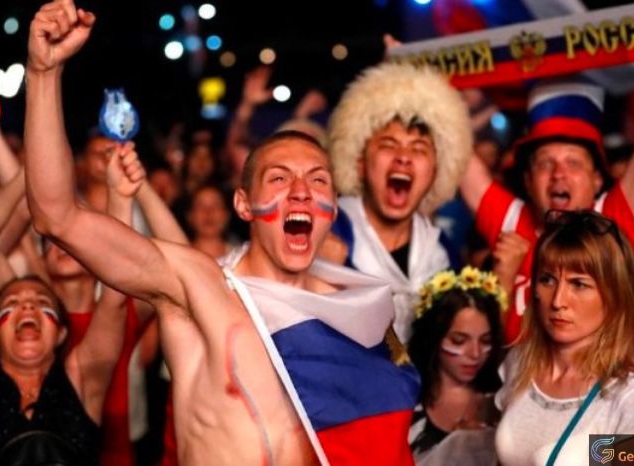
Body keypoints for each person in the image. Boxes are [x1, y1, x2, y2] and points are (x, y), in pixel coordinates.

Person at [23, 2, 419, 464]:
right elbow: (57, 216)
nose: (300, 192)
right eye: (279, 178)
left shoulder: (353, 312)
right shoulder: (198, 287)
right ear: (244, 204)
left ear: (332, 207)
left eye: (317, 180)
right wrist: (43, 74)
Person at [0, 127, 134, 465]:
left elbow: (113, 299)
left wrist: (120, 199)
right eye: (10, 305)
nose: (27, 305)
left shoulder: (83, 381)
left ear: (62, 333)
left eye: (43, 304)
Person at [459, 75, 634, 357]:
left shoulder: (614, 223)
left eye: (573, 162)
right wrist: (421, 74)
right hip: (518, 383)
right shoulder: (512, 222)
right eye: (546, 163)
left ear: (597, 179)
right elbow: (456, 148)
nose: (559, 173)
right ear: (528, 180)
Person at [495, 210, 634, 466]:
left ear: (615, 294)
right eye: (547, 280)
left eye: (578, 284)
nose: (558, 301)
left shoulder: (630, 400)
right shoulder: (518, 364)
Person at [325, 61, 473, 343]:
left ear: (436, 171)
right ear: (359, 162)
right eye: (388, 145)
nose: (404, 158)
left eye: (419, 148)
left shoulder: (443, 254)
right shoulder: (327, 231)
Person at [407, 267, 504, 466]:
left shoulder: (503, 401)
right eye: (459, 340)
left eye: (485, 341)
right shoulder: (404, 404)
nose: (475, 353)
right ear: (433, 337)